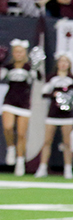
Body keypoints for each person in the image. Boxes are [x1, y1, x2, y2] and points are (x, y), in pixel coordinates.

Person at [1, 39, 42, 176]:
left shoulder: (29, 67)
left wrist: (35, 70)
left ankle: (20, 161)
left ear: (25, 53)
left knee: (21, 134)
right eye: (16, 52)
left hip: (24, 103)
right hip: (10, 100)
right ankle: (11, 148)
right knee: (7, 127)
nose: (19, 54)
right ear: (13, 53)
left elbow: (38, 78)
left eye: (21, 52)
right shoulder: (9, 66)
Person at [37, 53, 73, 179]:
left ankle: (68, 169)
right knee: (47, 141)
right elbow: (44, 93)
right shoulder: (52, 78)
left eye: (66, 61)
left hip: (67, 115)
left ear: (69, 64)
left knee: (67, 142)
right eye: (61, 61)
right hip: (53, 113)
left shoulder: (72, 79)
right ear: (58, 64)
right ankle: (42, 167)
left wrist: (67, 98)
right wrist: (54, 94)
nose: (63, 64)